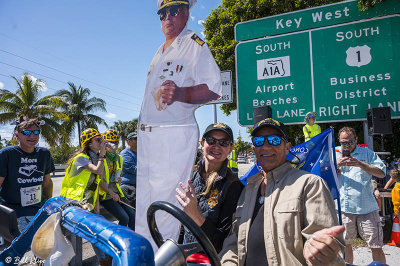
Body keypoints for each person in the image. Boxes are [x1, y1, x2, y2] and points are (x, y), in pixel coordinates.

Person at [136, 0, 222, 247]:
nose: (168, 17)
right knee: (145, 209)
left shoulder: (193, 44)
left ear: (187, 12)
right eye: (163, 13)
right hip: (149, 138)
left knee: (165, 210)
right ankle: (146, 259)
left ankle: (163, 259)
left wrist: (181, 93)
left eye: (174, 10)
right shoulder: (160, 50)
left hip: (171, 136)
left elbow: (213, 88)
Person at [220, 118, 345, 265]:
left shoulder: (309, 184)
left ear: (287, 147)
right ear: (254, 149)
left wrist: (322, 252)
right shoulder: (248, 189)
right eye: (259, 141)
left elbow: (325, 246)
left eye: (274, 140)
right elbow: (234, 239)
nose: (266, 146)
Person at [175, 123, 243, 257]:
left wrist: (195, 215)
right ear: (202, 143)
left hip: (210, 260)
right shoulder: (189, 175)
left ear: (230, 148)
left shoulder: (233, 186)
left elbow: (222, 243)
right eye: (211, 141)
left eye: (223, 142)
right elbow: (180, 226)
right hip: (184, 257)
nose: (216, 146)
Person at [336, 126, 386, 264]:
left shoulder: (367, 153)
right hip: (344, 209)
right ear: (339, 141)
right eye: (343, 142)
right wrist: (336, 165)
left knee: (376, 246)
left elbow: (382, 173)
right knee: (346, 245)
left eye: (350, 142)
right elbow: (321, 175)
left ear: (356, 139)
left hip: (367, 209)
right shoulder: (334, 152)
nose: (347, 145)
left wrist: (360, 164)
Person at [60, 128, 109, 266]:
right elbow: (98, 171)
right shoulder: (81, 159)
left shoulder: (93, 158)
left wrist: (97, 207)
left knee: (94, 233)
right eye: (98, 140)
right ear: (88, 144)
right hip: (72, 203)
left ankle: (103, 260)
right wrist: (102, 155)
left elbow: (95, 185)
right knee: (76, 238)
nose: (101, 142)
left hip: (86, 204)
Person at [0, 116, 54, 232]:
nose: (32, 136)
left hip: (39, 210)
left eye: (36, 132)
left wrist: (51, 203)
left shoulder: (44, 154)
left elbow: (47, 182)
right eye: (27, 132)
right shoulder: (7, 154)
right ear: (17, 135)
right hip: (14, 211)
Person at [99, 129, 135, 231]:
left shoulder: (119, 158)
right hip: (105, 195)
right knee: (124, 218)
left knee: (132, 214)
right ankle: (118, 240)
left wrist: (118, 179)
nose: (114, 145)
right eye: (111, 142)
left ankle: (132, 238)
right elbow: (98, 181)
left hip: (116, 192)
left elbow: (117, 175)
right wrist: (111, 193)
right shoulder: (100, 158)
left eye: (116, 142)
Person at [120, 132, 138, 207]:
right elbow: (135, 170)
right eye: (136, 139)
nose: (138, 140)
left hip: (137, 186)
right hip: (129, 188)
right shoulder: (125, 154)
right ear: (129, 141)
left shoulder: (139, 153)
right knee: (133, 213)